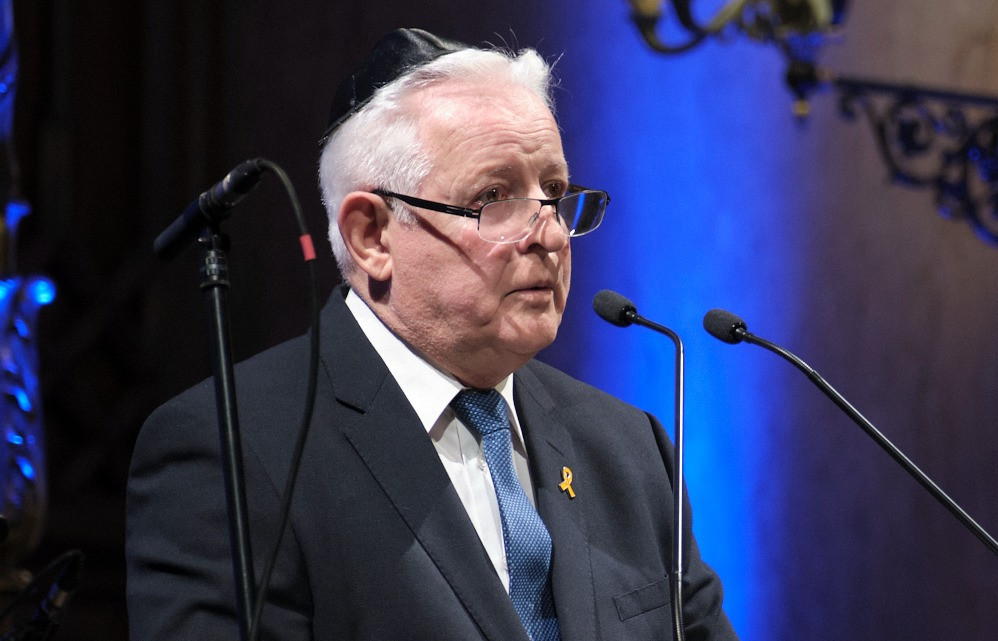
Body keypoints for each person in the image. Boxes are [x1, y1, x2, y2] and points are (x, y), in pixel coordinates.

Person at [125, 28, 739, 641]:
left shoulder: (630, 450)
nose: (551, 234)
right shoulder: (234, 448)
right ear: (372, 236)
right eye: (494, 197)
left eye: (553, 192)